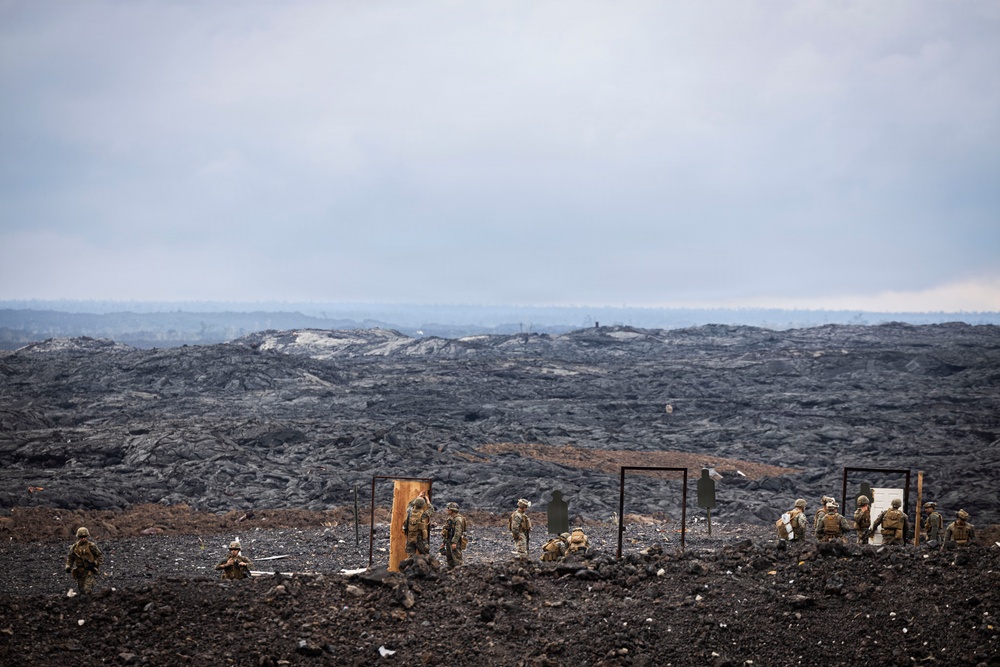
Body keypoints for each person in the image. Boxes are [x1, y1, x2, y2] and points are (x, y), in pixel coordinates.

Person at [65, 527, 103, 594]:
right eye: (81, 537)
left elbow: (100, 556)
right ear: (78, 537)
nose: (83, 539)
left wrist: (94, 563)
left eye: (84, 537)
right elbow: (70, 558)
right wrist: (68, 566)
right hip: (79, 572)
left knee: (87, 590)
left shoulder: (91, 546)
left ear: (87, 536)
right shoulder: (74, 547)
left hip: (89, 571)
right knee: (82, 592)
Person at [440, 502, 467, 568]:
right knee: (449, 558)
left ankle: (459, 571)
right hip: (448, 540)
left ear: (453, 510)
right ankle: (451, 571)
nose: (447, 510)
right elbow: (446, 530)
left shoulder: (458, 519)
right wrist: (444, 542)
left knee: (457, 558)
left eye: (448, 509)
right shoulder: (450, 518)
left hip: (455, 541)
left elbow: (458, 532)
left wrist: (454, 542)